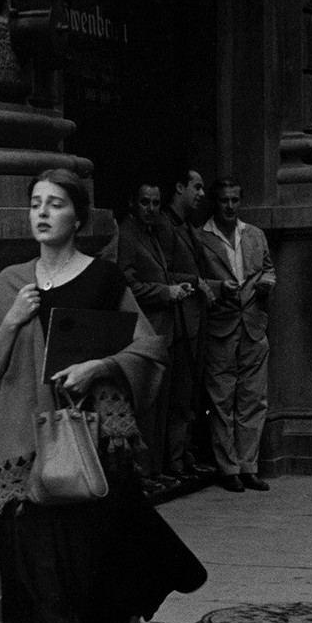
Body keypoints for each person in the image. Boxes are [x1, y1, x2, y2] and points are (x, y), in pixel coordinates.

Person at [0, 168, 207, 623]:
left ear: (80, 217)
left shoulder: (104, 280)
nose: (42, 213)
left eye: (55, 205)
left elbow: (150, 347)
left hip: (91, 447)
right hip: (22, 452)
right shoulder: (8, 283)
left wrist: (99, 366)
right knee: (27, 585)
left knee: (95, 571)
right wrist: (12, 321)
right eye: (35, 204)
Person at [114, 181, 192, 489]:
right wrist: (165, 292)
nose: (151, 209)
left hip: (163, 330)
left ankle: (155, 470)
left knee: (161, 404)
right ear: (133, 203)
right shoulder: (128, 235)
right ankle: (143, 475)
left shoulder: (151, 234)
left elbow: (158, 273)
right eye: (145, 202)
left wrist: (179, 286)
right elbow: (127, 284)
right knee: (146, 407)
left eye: (156, 203)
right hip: (145, 331)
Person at [198, 179, 275, 492]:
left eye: (234, 200)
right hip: (220, 324)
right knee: (221, 399)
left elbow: (268, 268)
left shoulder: (255, 234)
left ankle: (248, 466)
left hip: (254, 324)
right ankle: (228, 468)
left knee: (253, 398)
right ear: (215, 203)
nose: (230, 207)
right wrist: (217, 288)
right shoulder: (201, 237)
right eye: (224, 201)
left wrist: (268, 282)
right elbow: (195, 278)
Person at [163, 170, 217, 479]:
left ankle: (183, 455)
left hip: (195, 319)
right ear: (180, 187)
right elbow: (163, 272)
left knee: (191, 392)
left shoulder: (188, 226)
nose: (201, 194)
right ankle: (174, 461)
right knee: (180, 393)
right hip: (178, 320)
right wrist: (197, 282)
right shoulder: (166, 225)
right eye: (196, 187)